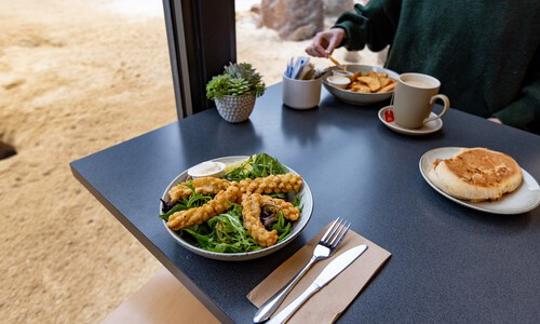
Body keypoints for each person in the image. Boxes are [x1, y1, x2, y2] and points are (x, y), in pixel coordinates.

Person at [306, 0, 540, 134]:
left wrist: (510, 120)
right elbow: (379, 17)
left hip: (482, 135)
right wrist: (345, 31)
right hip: (395, 120)